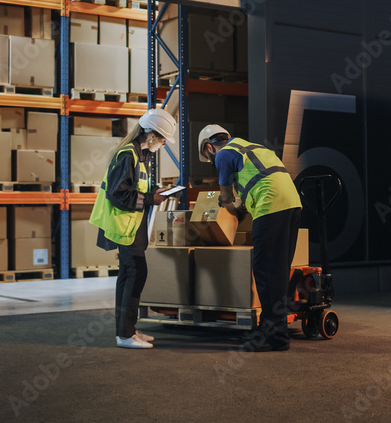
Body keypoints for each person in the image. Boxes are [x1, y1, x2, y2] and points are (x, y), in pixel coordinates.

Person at [198, 124, 302, 352]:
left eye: (208, 156)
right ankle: (270, 327)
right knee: (279, 270)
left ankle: (276, 337)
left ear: (209, 147)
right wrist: (242, 209)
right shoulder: (249, 147)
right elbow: (257, 182)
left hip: (271, 205)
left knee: (265, 269)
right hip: (292, 203)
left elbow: (225, 196)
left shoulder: (223, 154)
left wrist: (223, 208)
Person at [90, 108, 177, 349]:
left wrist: (154, 193)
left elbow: (134, 187)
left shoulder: (140, 155)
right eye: (161, 139)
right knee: (135, 273)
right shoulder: (127, 155)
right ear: (150, 134)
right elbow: (119, 194)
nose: (162, 144)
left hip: (132, 224)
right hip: (123, 226)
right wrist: (151, 199)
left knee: (131, 275)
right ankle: (125, 335)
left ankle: (127, 330)